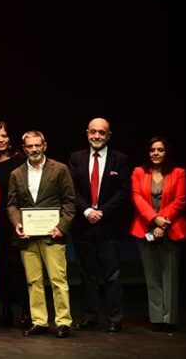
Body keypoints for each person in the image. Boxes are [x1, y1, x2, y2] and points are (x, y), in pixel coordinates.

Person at [7, 131, 76, 338]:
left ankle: (63, 321)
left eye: (38, 145)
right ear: (24, 148)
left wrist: (62, 227)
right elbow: (12, 205)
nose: (34, 149)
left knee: (58, 280)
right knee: (33, 281)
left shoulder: (60, 169)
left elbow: (69, 202)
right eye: (30, 146)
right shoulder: (16, 174)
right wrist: (18, 223)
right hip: (28, 238)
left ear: (44, 145)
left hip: (52, 235)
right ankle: (40, 321)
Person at [69, 118, 132, 333]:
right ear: (87, 133)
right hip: (84, 224)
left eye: (101, 133)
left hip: (109, 224)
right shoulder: (76, 158)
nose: (96, 136)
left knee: (112, 274)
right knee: (87, 273)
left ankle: (115, 318)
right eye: (93, 132)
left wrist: (102, 211)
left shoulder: (120, 159)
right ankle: (90, 316)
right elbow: (72, 189)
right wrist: (87, 210)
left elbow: (124, 192)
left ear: (108, 135)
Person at [130, 137, 186, 333]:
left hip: (170, 229)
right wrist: (154, 220)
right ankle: (156, 319)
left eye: (160, 150)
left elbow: (180, 201)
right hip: (144, 228)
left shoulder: (179, 173)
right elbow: (137, 198)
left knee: (169, 275)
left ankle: (169, 319)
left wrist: (162, 224)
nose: (156, 153)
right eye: (152, 150)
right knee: (152, 276)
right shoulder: (139, 172)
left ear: (166, 152)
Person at [0, 121, 29, 328]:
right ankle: (6, 311)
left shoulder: (21, 160)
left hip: (16, 221)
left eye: (4, 136)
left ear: (10, 138)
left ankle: (26, 310)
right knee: (0, 269)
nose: (1, 140)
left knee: (18, 269)